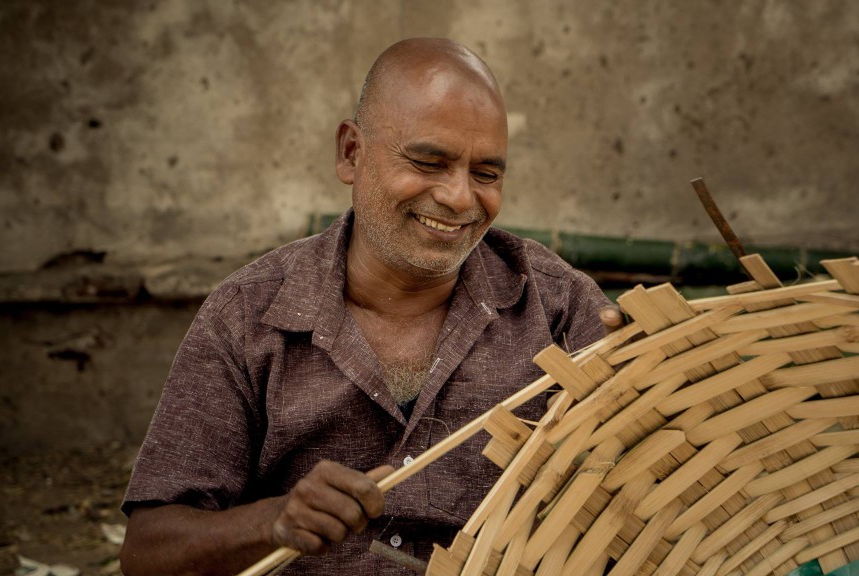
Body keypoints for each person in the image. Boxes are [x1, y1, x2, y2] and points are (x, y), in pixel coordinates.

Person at [119, 38, 622, 575]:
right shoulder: (247, 315)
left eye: (486, 174)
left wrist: (656, 372)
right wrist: (272, 522)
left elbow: (648, 485)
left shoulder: (557, 306)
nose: (459, 198)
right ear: (351, 153)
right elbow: (147, 552)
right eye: (429, 161)